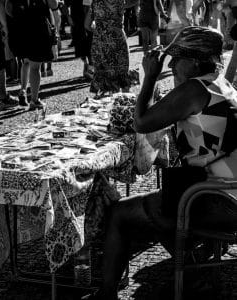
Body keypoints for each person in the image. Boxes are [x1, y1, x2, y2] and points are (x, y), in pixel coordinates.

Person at [82, 26, 237, 300]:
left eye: (178, 59)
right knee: (163, 203)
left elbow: (140, 122)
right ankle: (191, 274)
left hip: (214, 199)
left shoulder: (194, 89)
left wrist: (150, 78)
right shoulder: (222, 84)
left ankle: (105, 295)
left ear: (195, 61)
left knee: (120, 213)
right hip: (226, 190)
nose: (173, 65)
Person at [6, 0, 58, 110]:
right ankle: (34, 100)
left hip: (20, 29)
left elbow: (8, 8)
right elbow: (54, 5)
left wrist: (20, 16)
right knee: (35, 67)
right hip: (37, 29)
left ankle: (23, 90)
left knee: (25, 62)